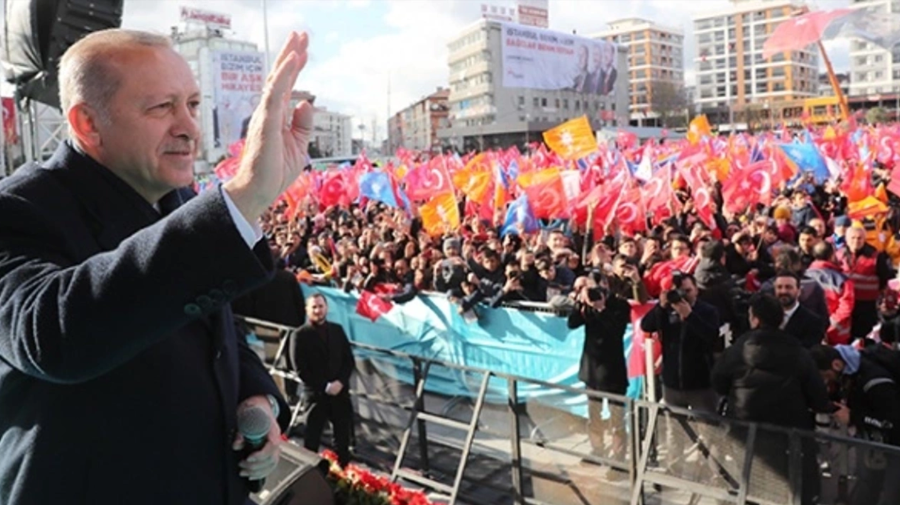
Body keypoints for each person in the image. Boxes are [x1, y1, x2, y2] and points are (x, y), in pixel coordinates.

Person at [0, 29, 312, 504]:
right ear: (88, 124)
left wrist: (257, 398)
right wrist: (244, 198)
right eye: (162, 107)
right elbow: (53, 336)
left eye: (191, 103)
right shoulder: (21, 210)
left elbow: (214, 331)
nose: (189, 126)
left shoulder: (177, 202)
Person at [712, 294, 833, 505]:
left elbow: (718, 383)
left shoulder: (736, 351)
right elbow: (818, 396)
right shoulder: (799, 352)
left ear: (755, 319)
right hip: (789, 438)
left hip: (745, 435)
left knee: (749, 491)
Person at [809, 344, 900, 505]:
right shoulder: (852, 368)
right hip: (873, 442)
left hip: (894, 445)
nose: (826, 381)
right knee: (866, 486)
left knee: (891, 495)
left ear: (836, 364)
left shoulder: (875, 381)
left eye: (826, 376)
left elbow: (892, 421)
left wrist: (854, 418)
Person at [567, 275, 630, 474]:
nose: (597, 292)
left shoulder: (620, 305)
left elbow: (616, 331)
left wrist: (602, 309)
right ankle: (597, 450)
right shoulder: (587, 305)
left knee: (616, 418)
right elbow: (572, 323)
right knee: (594, 415)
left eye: (600, 287)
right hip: (591, 370)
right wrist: (580, 304)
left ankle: (618, 460)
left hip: (613, 371)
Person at [288, 294, 356, 468]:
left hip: (340, 395)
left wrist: (340, 382)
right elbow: (300, 369)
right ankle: (309, 480)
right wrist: (325, 386)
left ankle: (344, 477)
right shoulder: (299, 335)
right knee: (311, 441)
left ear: (327, 307)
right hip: (315, 396)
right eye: (314, 307)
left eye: (321, 306)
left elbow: (348, 361)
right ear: (307, 310)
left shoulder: (337, 330)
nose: (318, 310)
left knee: (342, 441)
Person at [838, 226, 894, 340]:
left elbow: (884, 277)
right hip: (845, 302)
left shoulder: (875, 256)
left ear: (864, 239)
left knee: (864, 335)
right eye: (853, 238)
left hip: (866, 304)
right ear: (846, 239)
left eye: (859, 238)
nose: (856, 241)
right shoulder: (839, 254)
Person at [773, 271, 826, 348]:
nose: (783, 291)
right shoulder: (765, 315)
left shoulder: (813, 321)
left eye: (788, 287)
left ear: (799, 291)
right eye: (779, 287)